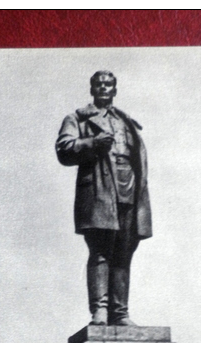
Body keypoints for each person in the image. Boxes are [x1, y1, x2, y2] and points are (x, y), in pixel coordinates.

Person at [56, 70, 152, 326]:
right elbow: (64, 150)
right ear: (92, 89)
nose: (104, 88)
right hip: (99, 188)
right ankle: (100, 310)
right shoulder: (78, 118)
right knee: (100, 250)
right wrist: (92, 142)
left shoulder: (125, 121)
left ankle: (120, 313)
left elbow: (136, 156)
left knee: (124, 250)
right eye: (99, 84)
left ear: (115, 89)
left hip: (128, 186)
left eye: (108, 84)